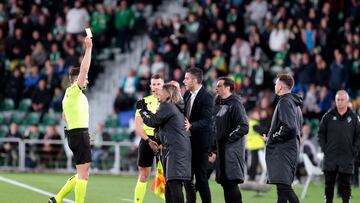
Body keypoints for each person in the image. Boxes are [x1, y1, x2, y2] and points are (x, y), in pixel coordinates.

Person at [48, 36, 93, 203]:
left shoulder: (70, 96)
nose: (87, 80)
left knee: (82, 173)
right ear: (76, 80)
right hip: (79, 134)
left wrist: (88, 135)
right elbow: (84, 70)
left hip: (77, 134)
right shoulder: (74, 91)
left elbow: (65, 117)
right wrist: (88, 48)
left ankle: (57, 199)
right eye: (84, 78)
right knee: (84, 175)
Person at [137, 84, 191, 203]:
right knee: (171, 185)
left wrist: (142, 110)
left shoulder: (167, 106)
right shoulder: (173, 107)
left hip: (176, 151)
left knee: (174, 185)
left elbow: (152, 121)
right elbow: (159, 126)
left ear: (168, 94)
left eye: (162, 91)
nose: (159, 93)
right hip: (175, 150)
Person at [265, 74, 303, 203]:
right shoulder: (294, 103)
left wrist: (273, 137)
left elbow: (289, 127)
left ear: (280, 87)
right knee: (281, 190)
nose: (275, 86)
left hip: (284, 151)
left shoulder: (284, 102)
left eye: (276, 84)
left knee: (284, 188)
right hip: (289, 149)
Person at [318, 90, 360, 203]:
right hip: (330, 157)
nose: (340, 102)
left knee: (346, 186)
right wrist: (324, 148)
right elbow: (320, 134)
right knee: (329, 186)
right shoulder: (328, 116)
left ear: (347, 101)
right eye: (338, 100)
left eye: (342, 100)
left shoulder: (354, 118)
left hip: (347, 158)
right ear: (335, 101)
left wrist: (354, 150)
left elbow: (358, 137)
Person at [213, 77, 249, 203]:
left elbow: (244, 126)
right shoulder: (218, 103)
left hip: (232, 151)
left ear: (228, 88)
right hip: (220, 149)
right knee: (225, 184)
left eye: (219, 86)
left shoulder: (235, 104)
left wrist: (229, 139)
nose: (216, 88)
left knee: (231, 183)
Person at [183, 67, 214, 203]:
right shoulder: (186, 95)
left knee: (201, 180)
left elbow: (207, 120)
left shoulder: (207, 96)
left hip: (200, 145)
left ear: (195, 80)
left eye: (187, 78)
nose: (184, 81)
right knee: (187, 179)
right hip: (186, 143)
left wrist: (191, 125)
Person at [133, 74, 164, 203]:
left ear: (163, 85)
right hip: (147, 139)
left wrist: (164, 141)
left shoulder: (168, 101)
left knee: (167, 175)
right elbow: (137, 126)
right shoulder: (143, 102)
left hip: (164, 139)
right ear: (150, 86)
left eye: (158, 84)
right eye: (154, 84)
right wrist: (148, 140)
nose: (156, 86)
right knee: (144, 174)